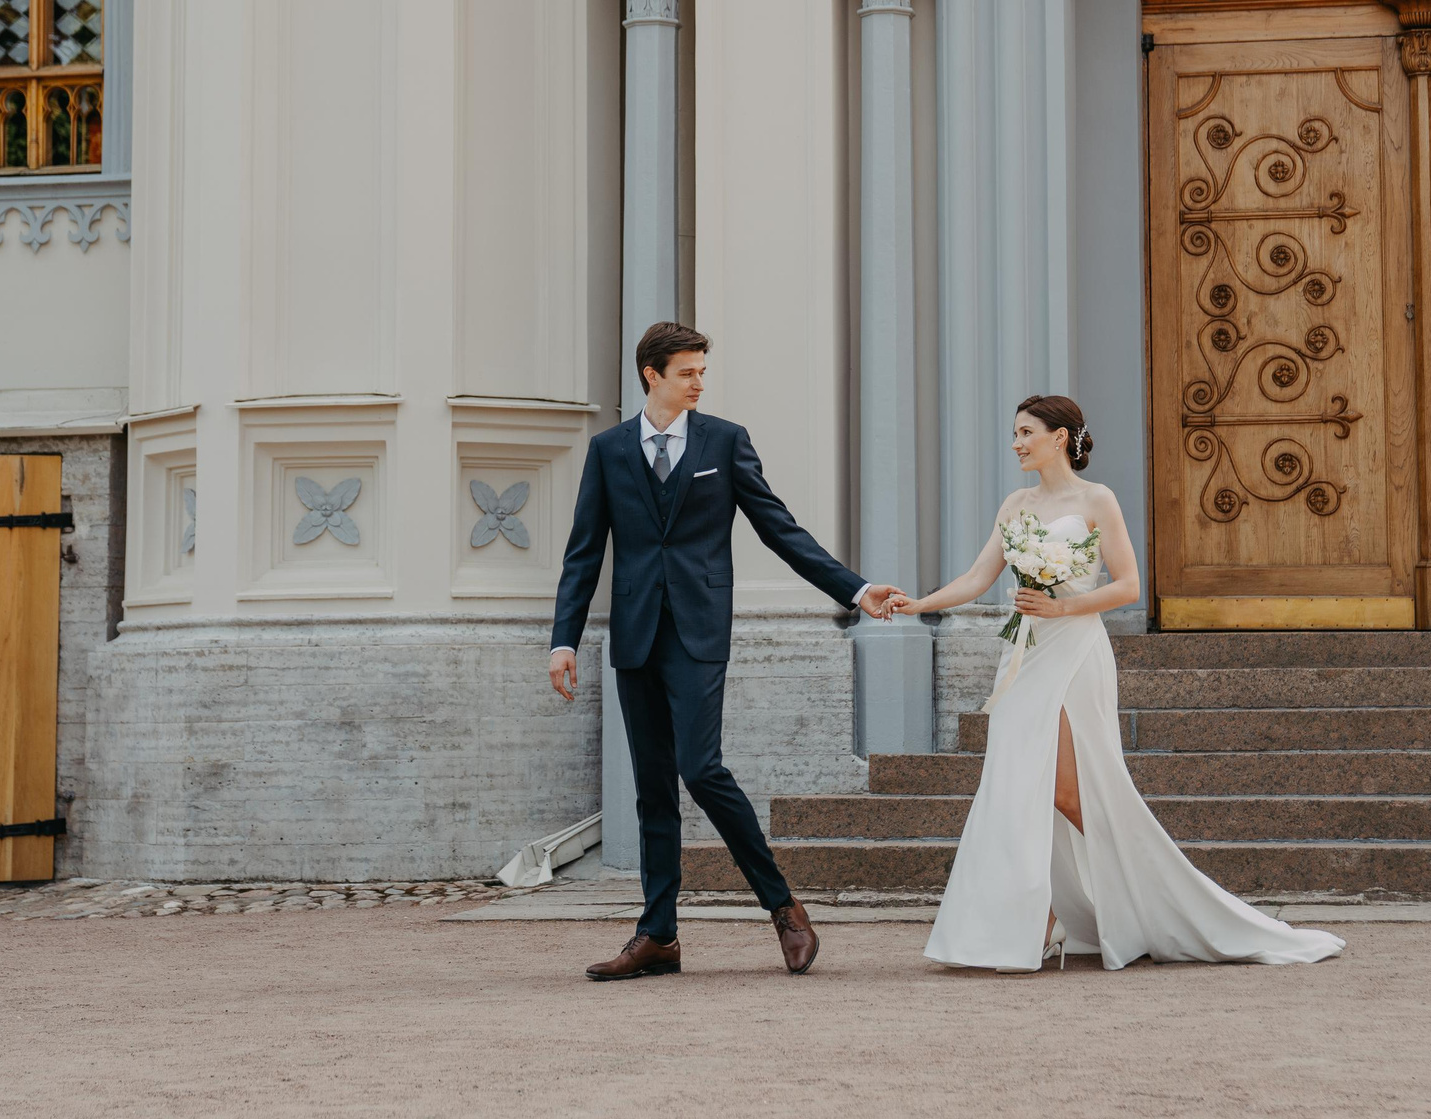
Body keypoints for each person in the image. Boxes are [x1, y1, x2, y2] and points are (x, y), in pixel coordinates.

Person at [901, 396, 1344, 972]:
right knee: (1014, 781)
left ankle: (1146, 895)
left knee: (1063, 791)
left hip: (1075, 651)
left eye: (1025, 432)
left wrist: (1065, 608)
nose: (1015, 443)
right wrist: (916, 606)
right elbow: (977, 577)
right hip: (1024, 656)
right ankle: (1044, 916)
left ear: (1060, 438)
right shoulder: (1015, 504)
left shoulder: (1096, 500)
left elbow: (1129, 585)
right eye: (1014, 432)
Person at [548, 322, 905, 981]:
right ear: (651, 374)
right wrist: (563, 639)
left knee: (701, 766)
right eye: (688, 371)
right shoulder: (608, 450)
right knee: (652, 786)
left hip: (699, 630)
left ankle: (785, 909)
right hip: (634, 635)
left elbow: (780, 529)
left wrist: (855, 589)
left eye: (702, 371)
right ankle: (657, 935)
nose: (699, 381)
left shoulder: (724, 442)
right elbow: (583, 552)